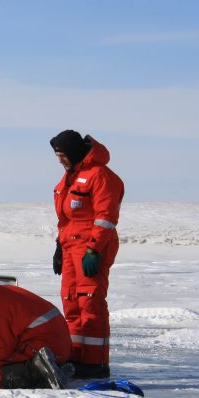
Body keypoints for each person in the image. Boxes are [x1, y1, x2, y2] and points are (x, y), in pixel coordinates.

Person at [50, 130, 125, 379]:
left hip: (92, 248)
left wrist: (94, 250)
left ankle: (95, 362)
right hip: (71, 247)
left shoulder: (101, 176)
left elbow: (105, 218)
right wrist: (59, 248)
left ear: (73, 152)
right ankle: (76, 355)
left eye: (62, 155)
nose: (60, 160)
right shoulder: (70, 178)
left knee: (89, 301)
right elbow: (66, 220)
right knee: (71, 301)